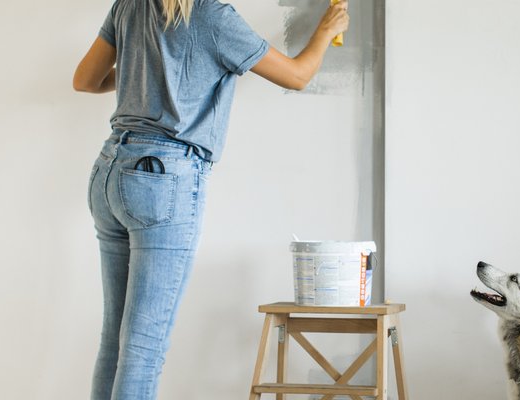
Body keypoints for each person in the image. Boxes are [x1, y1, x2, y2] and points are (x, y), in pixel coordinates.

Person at [72, 0, 348, 398]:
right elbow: (298, 76)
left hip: (110, 171)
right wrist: (325, 30)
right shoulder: (212, 16)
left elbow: (86, 79)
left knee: (116, 342)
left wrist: (145, 66)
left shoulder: (129, 5)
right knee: (143, 350)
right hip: (162, 179)